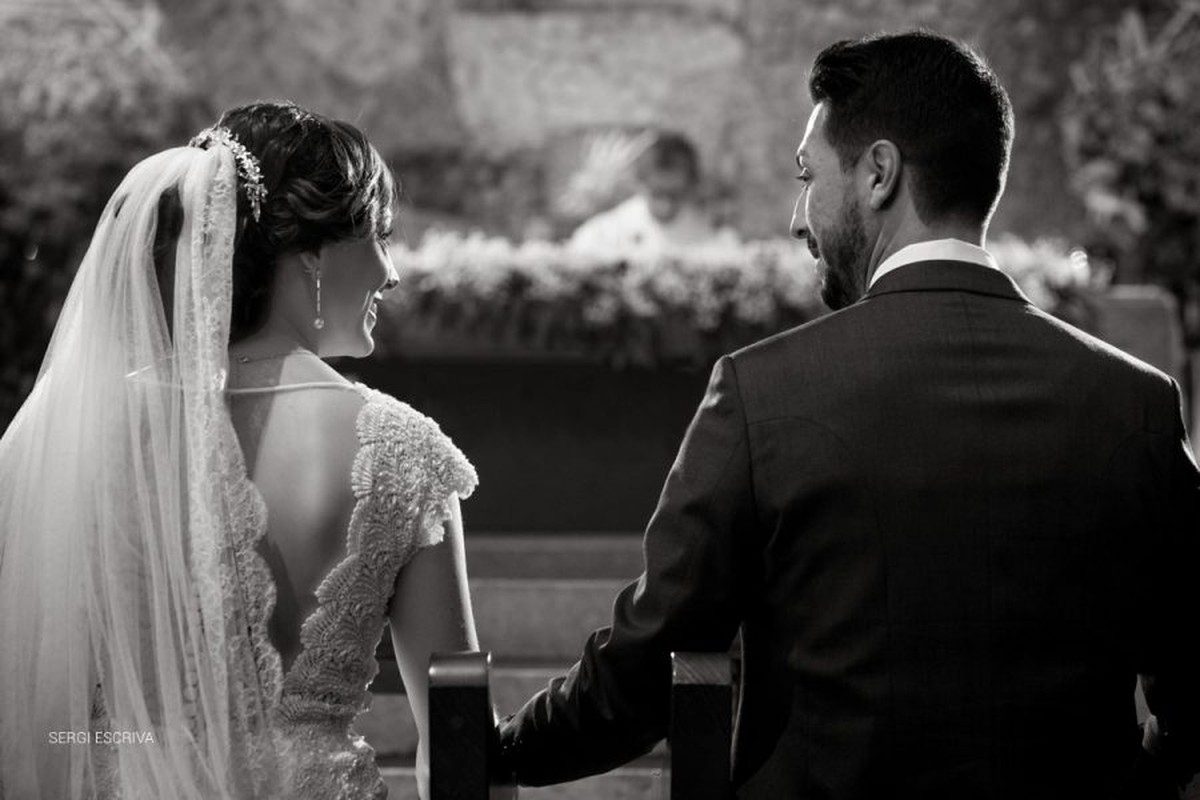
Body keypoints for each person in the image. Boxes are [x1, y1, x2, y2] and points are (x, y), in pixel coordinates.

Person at [498, 31, 1200, 798]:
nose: (800, 218)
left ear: (878, 173)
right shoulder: (1137, 404)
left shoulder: (762, 392)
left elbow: (646, 664)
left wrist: (497, 752)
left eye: (808, 176)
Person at [0, 101, 478, 800]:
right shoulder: (405, 452)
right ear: (313, 254)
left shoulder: (89, 430)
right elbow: (458, 732)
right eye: (379, 234)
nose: (392, 271)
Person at [567, 131, 727, 253]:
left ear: (691, 186)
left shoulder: (710, 236)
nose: (666, 204)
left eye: (675, 195)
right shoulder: (603, 234)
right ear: (640, 184)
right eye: (657, 193)